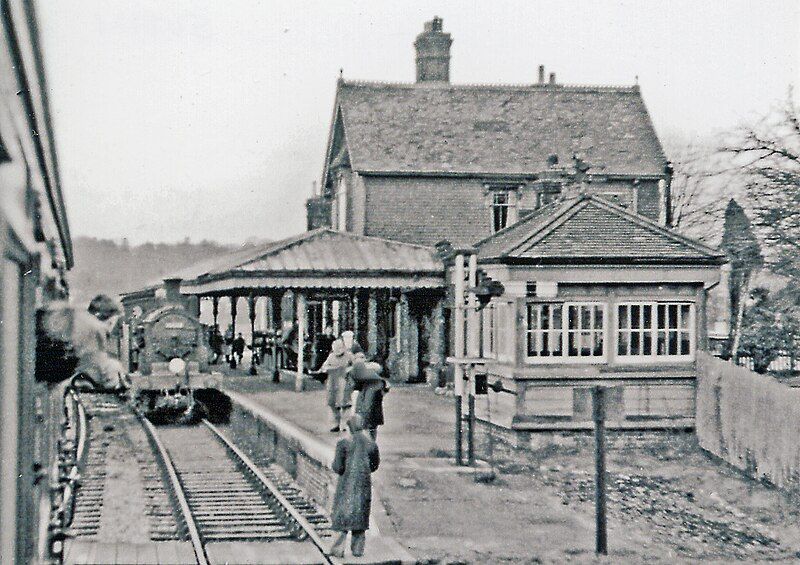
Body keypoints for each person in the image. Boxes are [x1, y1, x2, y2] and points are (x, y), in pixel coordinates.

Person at [329, 415, 380, 559]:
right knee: (360, 518)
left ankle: (337, 550)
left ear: (349, 428)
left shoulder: (343, 444)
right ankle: (358, 550)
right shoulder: (371, 444)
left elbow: (338, 467)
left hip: (346, 485)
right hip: (363, 485)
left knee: (342, 517)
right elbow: (374, 465)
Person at [320, 339, 354, 432]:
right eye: (336, 348)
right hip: (333, 382)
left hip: (344, 382)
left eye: (340, 347)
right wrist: (329, 369)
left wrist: (348, 369)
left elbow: (355, 365)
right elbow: (324, 367)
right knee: (333, 403)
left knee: (345, 403)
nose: (338, 350)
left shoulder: (349, 355)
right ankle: (336, 423)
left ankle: (344, 424)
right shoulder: (331, 356)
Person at [350, 360, 389, 440]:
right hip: (373, 410)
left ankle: (369, 444)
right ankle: (371, 443)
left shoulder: (368, 383)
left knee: (367, 429)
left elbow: (368, 400)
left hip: (367, 410)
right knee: (372, 429)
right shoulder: (378, 382)